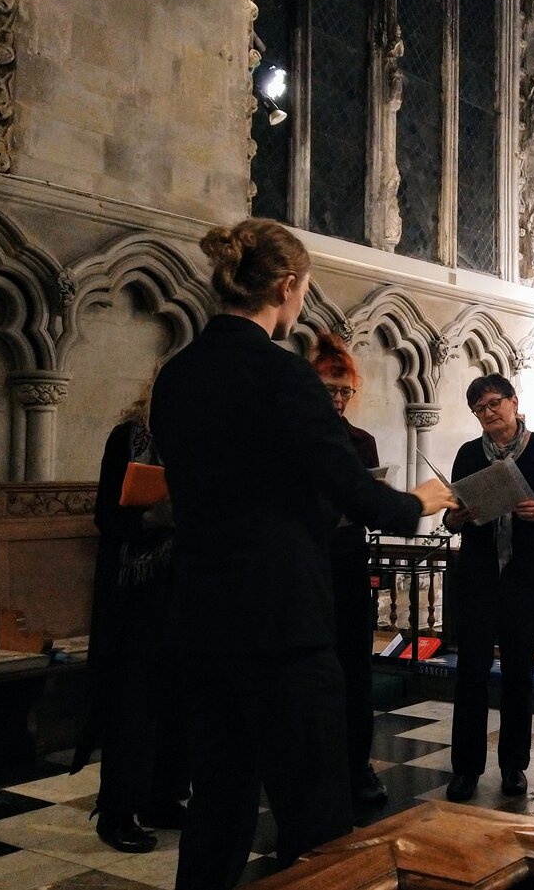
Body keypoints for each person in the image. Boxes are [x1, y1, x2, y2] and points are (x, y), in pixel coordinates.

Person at [151, 218, 456, 890]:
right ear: (286, 286)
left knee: (219, 805)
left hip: (202, 619)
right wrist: (418, 501)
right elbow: (353, 490)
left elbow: (234, 492)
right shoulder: (283, 374)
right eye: (305, 289)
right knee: (317, 815)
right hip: (282, 621)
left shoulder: (176, 375)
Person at [443, 374, 534, 802]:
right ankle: (466, 768)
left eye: (494, 403)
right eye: (479, 409)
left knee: (519, 671)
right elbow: (450, 515)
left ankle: (514, 765)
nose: (488, 413)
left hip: (524, 573)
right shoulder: (468, 454)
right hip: (478, 575)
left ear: (514, 402)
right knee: (471, 672)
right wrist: (456, 517)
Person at [73, 380, 187, 853]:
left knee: (177, 701)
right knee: (133, 705)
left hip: (185, 590)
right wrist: (153, 518)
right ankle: (117, 811)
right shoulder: (129, 439)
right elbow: (106, 515)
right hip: (134, 594)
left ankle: (163, 798)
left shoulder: (201, 440)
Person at [310, 332, 387, 809]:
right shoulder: (295, 437)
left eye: (345, 392)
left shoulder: (361, 442)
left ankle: (358, 765)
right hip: (307, 567)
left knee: (355, 670)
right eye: (329, 391)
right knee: (311, 670)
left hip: (349, 564)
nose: (338, 400)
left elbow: (371, 507)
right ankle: (312, 768)